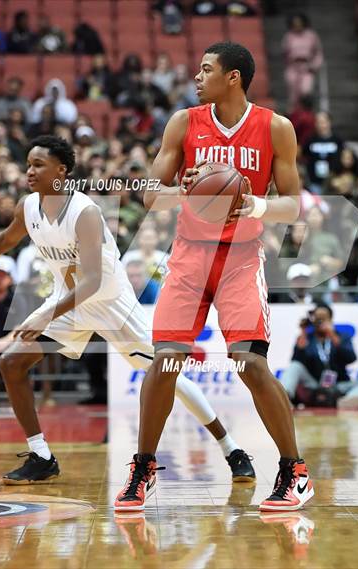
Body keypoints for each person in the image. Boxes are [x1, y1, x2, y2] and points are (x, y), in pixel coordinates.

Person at [0, 135, 254, 485]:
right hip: (68, 302)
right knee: (11, 362)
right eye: (28, 164)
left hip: (110, 304)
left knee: (170, 377)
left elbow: (91, 282)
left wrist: (45, 314)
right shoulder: (28, 206)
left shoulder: (85, 212)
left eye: (38, 165)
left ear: (62, 171)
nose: (30, 171)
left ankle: (231, 448)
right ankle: (42, 456)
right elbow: (5, 240)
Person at [115, 42, 314, 512]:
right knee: (164, 363)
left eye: (206, 69)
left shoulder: (275, 128)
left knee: (249, 363)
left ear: (234, 78)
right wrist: (178, 191)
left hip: (241, 256)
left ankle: (294, 472)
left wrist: (256, 205)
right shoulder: (184, 122)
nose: (196, 76)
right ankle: (143, 466)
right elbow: (148, 195)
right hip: (188, 255)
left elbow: (293, 204)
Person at [280, 303, 358, 410]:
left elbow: (351, 358)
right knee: (295, 366)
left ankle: (348, 401)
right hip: (313, 383)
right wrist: (303, 332)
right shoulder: (307, 338)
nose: (320, 322)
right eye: (318, 318)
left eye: (324, 318)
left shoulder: (341, 336)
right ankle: (284, 398)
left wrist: (331, 334)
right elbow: (296, 362)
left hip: (337, 384)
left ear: (331, 319)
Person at [282, 13, 323, 110]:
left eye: (299, 23)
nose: (297, 26)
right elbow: (285, 53)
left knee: (306, 91)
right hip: (293, 67)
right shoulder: (288, 37)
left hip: (307, 67)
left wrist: (314, 66)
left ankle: (307, 115)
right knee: (293, 94)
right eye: (295, 24)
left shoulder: (311, 36)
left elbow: (318, 53)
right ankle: (293, 117)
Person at [303, 112, 344, 194]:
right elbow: (304, 155)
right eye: (318, 122)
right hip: (314, 180)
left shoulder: (337, 140)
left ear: (329, 122)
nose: (321, 125)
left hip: (332, 180)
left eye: (323, 122)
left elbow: (342, 156)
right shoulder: (311, 140)